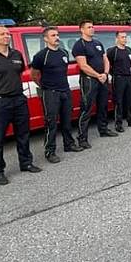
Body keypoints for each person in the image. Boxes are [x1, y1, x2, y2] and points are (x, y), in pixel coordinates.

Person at [0, 25, 42, 185]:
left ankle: (26, 163)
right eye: (2, 34)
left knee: (23, 134)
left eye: (8, 34)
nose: (6, 36)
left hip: (18, 99)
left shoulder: (16, 54)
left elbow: (18, 73)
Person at [30, 26, 83, 164]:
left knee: (67, 120)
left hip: (65, 91)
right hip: (50, 93)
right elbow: (34, 75)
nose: (57, 37)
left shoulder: (64, 53)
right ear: (46, 39)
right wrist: (45, 87)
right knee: (51, 123)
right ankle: (50, 151)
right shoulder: (41, 56)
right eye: (53, 35)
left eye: (57, 35)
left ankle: (69, 144)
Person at [71, 19, 118, 148]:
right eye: (89, 27)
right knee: (86, 109)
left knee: (103, 106)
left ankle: (103, 129)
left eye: (92, 27)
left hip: (102, 78)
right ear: (82, 29)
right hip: (89, 80)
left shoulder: (98, 43)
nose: (92, 29)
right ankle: (82, 138)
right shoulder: (79, 45)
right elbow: (83, 65)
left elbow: (105, 59)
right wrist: (98, 75)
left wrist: (105, 73)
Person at [107, 31, 131, 133]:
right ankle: (118, 124)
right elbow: (108, 64)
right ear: (117, 38)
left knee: (129, 100)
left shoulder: (128, 50)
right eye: (122, 37)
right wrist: (112, 75)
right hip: (118, 78)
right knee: (119, 101)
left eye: (125, 37)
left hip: (128, 78)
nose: (124, 39)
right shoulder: (113, 51)